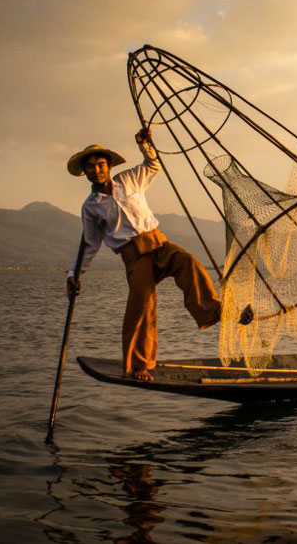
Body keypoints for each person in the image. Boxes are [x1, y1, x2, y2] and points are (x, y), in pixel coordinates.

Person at [65, 127, 223, 381]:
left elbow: (153, 164)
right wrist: (74, 274)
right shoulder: (91, 207)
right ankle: (140, 365)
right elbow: (90, 244)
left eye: (100, 164)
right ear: (86, 172)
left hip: (158, 243)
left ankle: (212, 311)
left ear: (108, 166)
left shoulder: (128, 180)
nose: (97, 169)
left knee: (188, 262)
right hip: (134, 255)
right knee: (142, 306)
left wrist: (145, 144)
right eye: (91, 166)